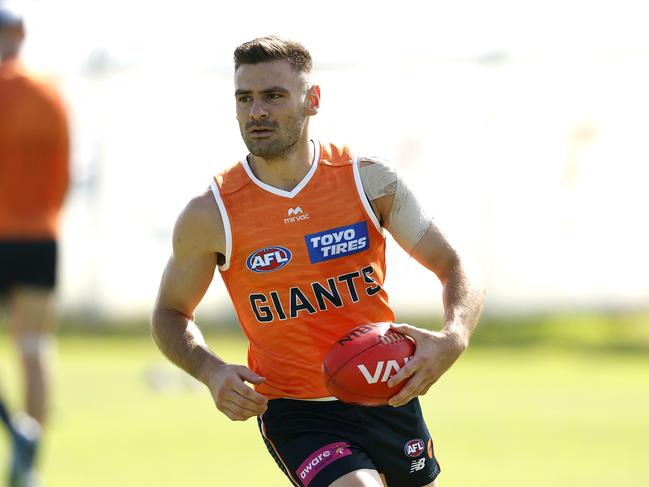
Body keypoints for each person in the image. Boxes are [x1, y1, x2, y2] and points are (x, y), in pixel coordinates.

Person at [151, 35, 484, 487]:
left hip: (387, 391)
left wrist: (454, 335)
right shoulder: (211, 213)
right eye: (244, 98)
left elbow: (454, 263)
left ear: (313, 100)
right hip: (295, 412)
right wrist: (210, 371)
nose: (257, 112)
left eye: (273, 96)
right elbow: (170, 314)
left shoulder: (368, 180)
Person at [0, 1, 70, 485]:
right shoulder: (51, 95)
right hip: (40, 235)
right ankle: (31, 460)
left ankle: (13, 428)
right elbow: (62, 177)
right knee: (34, 347)